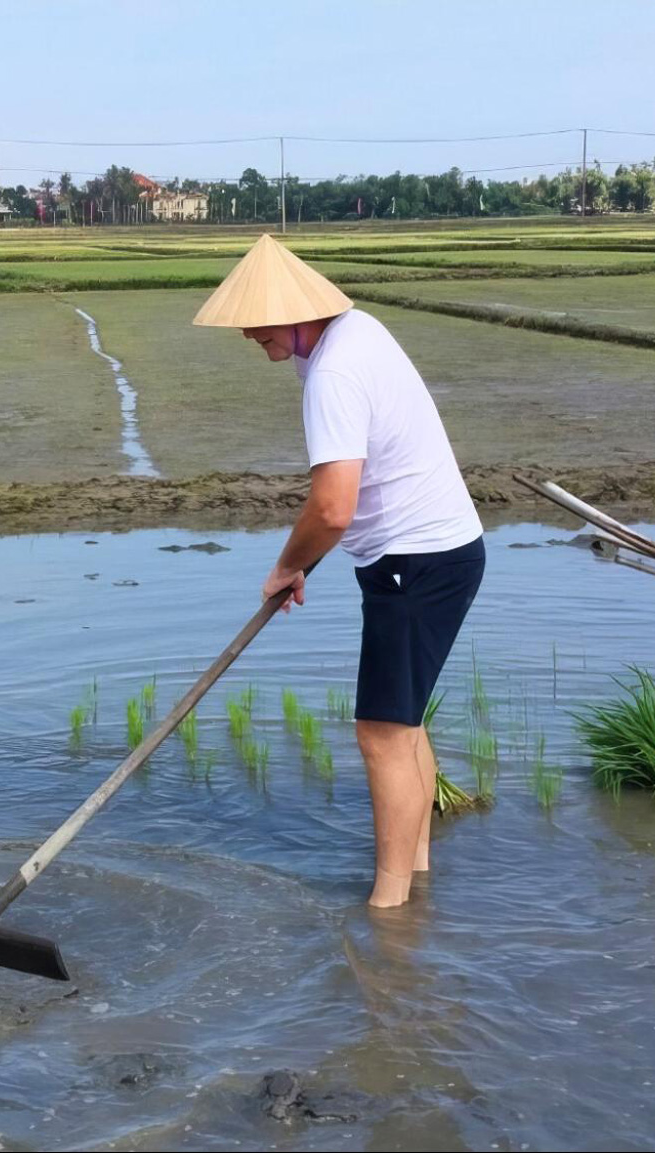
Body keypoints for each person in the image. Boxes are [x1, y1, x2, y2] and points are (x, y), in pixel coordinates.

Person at [193, 235, 486, 908]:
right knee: (404, 726)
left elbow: (331, 505)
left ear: (296, 314)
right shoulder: (352, 334)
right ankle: (415, 879)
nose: (246, 333)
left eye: (256, 321)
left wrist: (288, 564)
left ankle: (389, 916)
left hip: (413, 563)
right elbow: (344, 502)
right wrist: (307, 564)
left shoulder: (331, 373)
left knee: (382, 736)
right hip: (440, 552)